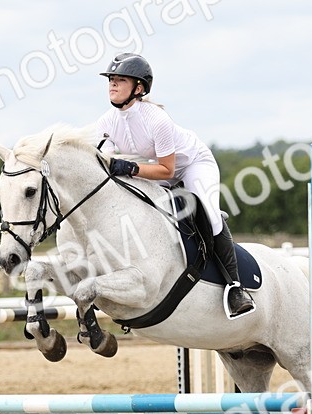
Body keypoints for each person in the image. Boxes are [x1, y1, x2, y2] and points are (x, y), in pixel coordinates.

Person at [96, 53, 254, 318]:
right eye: (111, 79)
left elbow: (168, 170)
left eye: (120, 80)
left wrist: (131, 168)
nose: (112, 84)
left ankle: (235, 287)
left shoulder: (157, 119)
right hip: (153, 168)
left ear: (138, 88)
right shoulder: (105, 123)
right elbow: (111, 168)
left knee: (210, 215)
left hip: (192, 164)